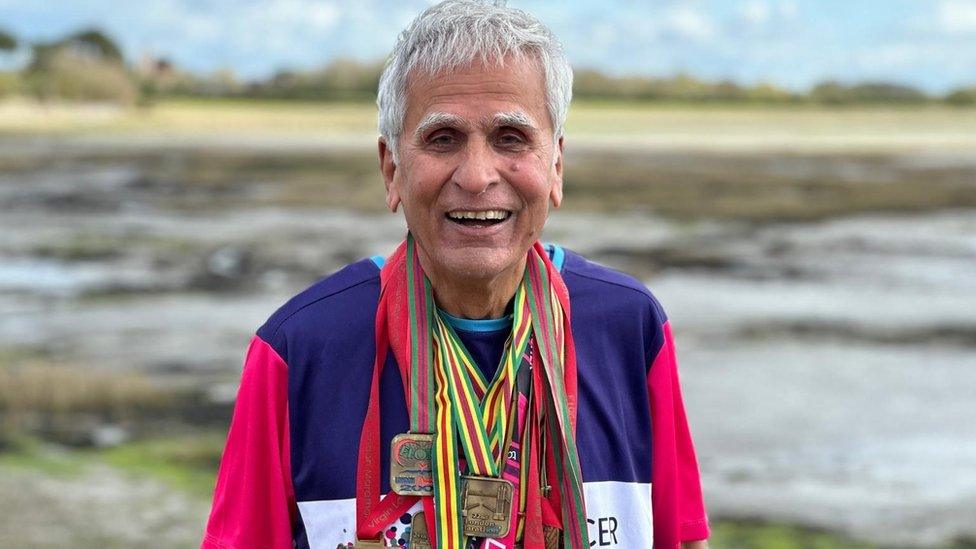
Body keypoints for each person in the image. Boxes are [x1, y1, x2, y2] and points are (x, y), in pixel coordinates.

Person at [202, 1, 709, 548]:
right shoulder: (296, 349)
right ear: (392, 168)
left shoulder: (631, 329)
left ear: (556, 166)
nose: (476, 176)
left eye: (511, 138)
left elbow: (682, 540)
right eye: (442, 139)